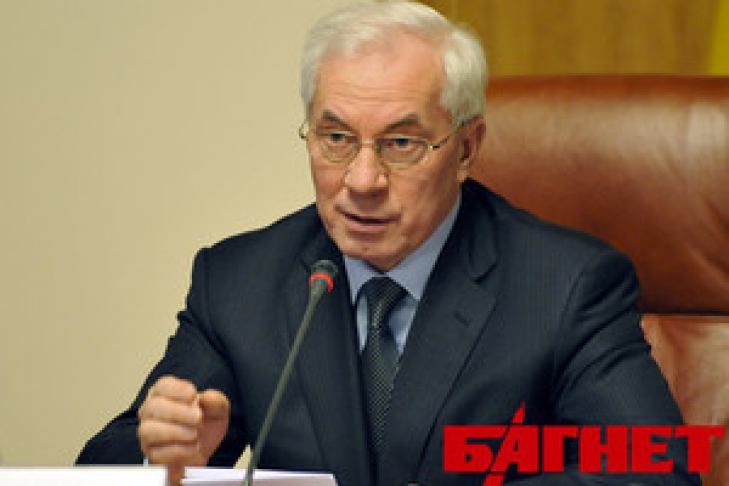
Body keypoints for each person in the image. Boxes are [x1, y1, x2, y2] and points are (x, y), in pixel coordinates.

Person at [77, 2, 700, 485]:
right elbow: (101, 466)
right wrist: (168, 455)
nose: (362, 180)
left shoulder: (564, 286)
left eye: (401, 143)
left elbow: (658, 470)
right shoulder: (239, 282)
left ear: (466, 148)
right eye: (337, 139)